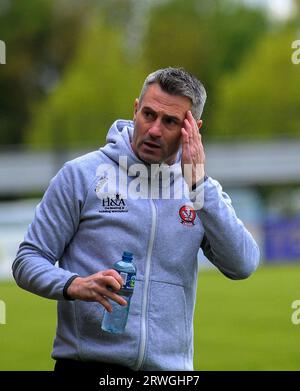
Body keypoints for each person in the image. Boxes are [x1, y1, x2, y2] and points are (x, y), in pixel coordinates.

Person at [12, 67, 260, 372]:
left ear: (193, 128)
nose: (155, 129)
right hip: (87, 365)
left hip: (169, 373)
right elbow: (27, 259)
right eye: (148, 115)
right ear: (135, 110)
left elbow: (243, 264)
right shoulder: (81, 176)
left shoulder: (199, 192)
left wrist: (198, 183)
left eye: (170, 121)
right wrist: (72, 284)